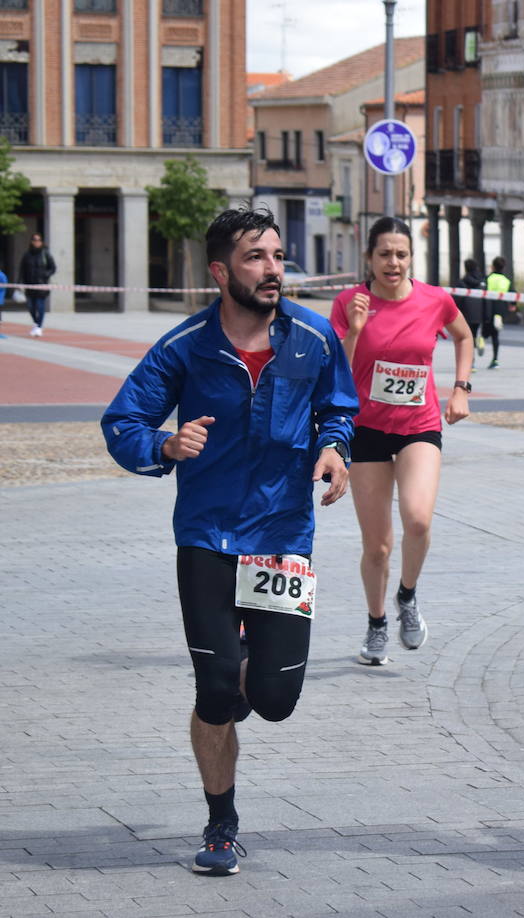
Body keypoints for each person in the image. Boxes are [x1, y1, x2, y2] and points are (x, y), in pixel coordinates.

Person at [101, 206, 358, 876]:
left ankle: (247, 666)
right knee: (216, 693)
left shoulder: (312, 338)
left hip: (283, 538)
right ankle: (221, 824)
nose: (273, 268)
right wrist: (163, 442)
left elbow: (340, 406)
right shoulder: (185, 346)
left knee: (273, 700)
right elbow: (122, 419)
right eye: (255, 257)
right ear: (220, 271)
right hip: (208, 537)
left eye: (277, 255)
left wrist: (334, 447)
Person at [331, 217, 473, 666]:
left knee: (417, 521)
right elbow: (335, 369)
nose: (393, 262)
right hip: (367, 429)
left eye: (401, 254)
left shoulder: (435, 299)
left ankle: (407, 596)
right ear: (369, 259)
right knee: (377, 545)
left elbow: (464, 336)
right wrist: (353, 331)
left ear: (411, 257)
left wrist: (460, 388)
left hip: (419, 425)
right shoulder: (349, 303)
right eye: (384, 254)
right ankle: (376, 622)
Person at [20, 232, 56, 338]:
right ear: (31, 242)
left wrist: (45, 275)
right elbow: (22, 270)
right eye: (35, 240)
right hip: (29, 285)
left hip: (42, 285)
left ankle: (39, 327)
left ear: (41, 242)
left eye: (39, 240)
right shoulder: (27, 255)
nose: (37, 242)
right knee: (31, 306)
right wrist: (20, 283)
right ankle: (36, 324)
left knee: (40, 306)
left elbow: (53, 268)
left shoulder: (46, 254)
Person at [483, 256, 511, 369]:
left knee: (484, 332)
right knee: (495, 335)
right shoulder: (506, 280)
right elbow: (512, 293)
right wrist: (513, 305)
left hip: (488, 308)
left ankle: (480, 341)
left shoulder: (488, 278)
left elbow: (482, 292)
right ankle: (495, 359)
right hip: (500, 310)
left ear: (493, 267)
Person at [455, 258, 486, 354]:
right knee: (474, 334)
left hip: (466, 314)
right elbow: (486, 299)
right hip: (479, 314)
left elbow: (457, 300)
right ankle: (479, 342)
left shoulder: (462, 282)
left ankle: (471, 361)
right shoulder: (482, 282)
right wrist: (486, 315)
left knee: (467, 337)